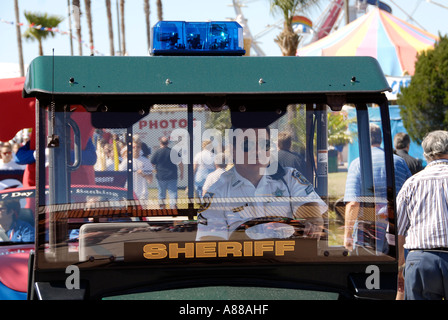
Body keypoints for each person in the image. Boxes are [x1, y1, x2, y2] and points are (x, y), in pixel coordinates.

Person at [196, 127, 327, 241]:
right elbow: (210, 241)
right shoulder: (218, 190)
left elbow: (312, 214)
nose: (258, 152)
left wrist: (312, 223)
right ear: (233, 150)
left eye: (265, 145)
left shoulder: (289, 178)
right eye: (248, 145)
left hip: (287, 262)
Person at [344, 124, 411, 254]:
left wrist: (347, 236)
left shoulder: (357, 164)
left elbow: (353, 204)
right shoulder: (399, 163)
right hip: (397, 231)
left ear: (362, 140)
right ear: (380, 138)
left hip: (369, 233)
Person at [396, 130, 448, 300]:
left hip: (420, 261)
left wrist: (400, 265)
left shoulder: (410, 184)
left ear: (425, 154)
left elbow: (399, 231)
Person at [151, 136, 183, 209]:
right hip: (172, 176)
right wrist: (182, 173)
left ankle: (162, 207)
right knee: (173, 192)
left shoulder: (157, 152)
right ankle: (173, 206)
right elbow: (180, 163)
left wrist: (152, 171)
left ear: (160, 143)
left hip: (161, 176)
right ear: (168, 143)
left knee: (162, 193)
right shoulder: (173, 151)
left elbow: (152, 164)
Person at [119, 137, 153, 202]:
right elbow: (119, 178)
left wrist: (144, 174)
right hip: (129, 193)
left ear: (140, 148)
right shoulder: (126, 162)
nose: (136, 149)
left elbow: (150, 180)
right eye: (133, 147)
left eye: (138, 147)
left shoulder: (146, 161)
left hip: (142, 194)